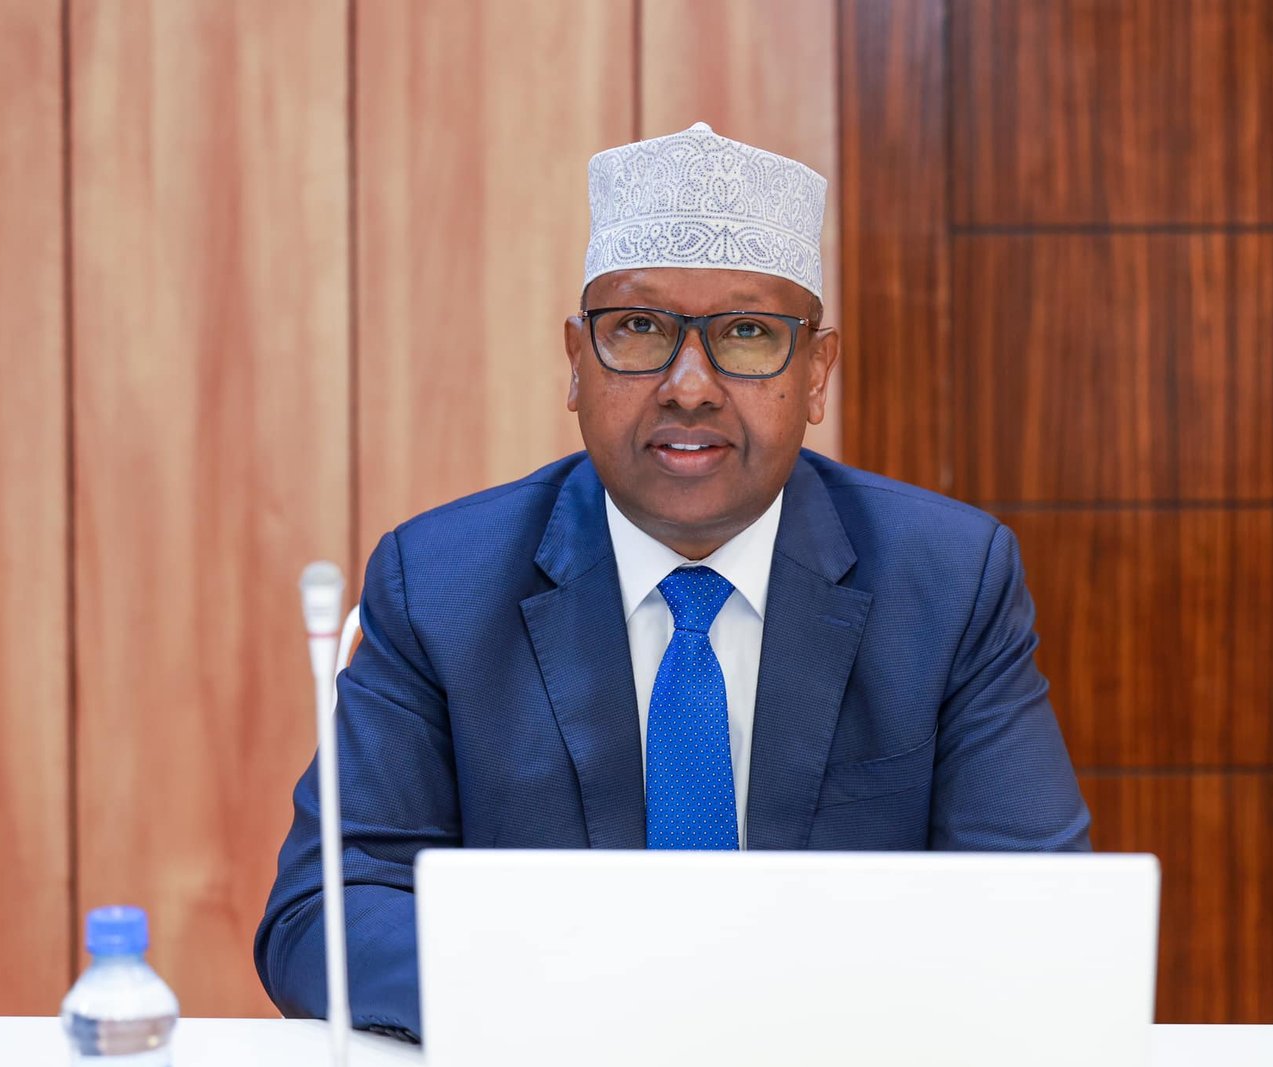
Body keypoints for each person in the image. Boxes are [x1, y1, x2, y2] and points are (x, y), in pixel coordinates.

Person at [255, 122, 1090, 1038]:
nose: (690, 385)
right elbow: (323, 911)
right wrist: (578, 999)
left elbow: (1039, 909)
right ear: (577, 363)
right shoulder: (442, 585)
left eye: (747, 333)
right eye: (641, 327)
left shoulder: (948, 581)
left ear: (817, 373)